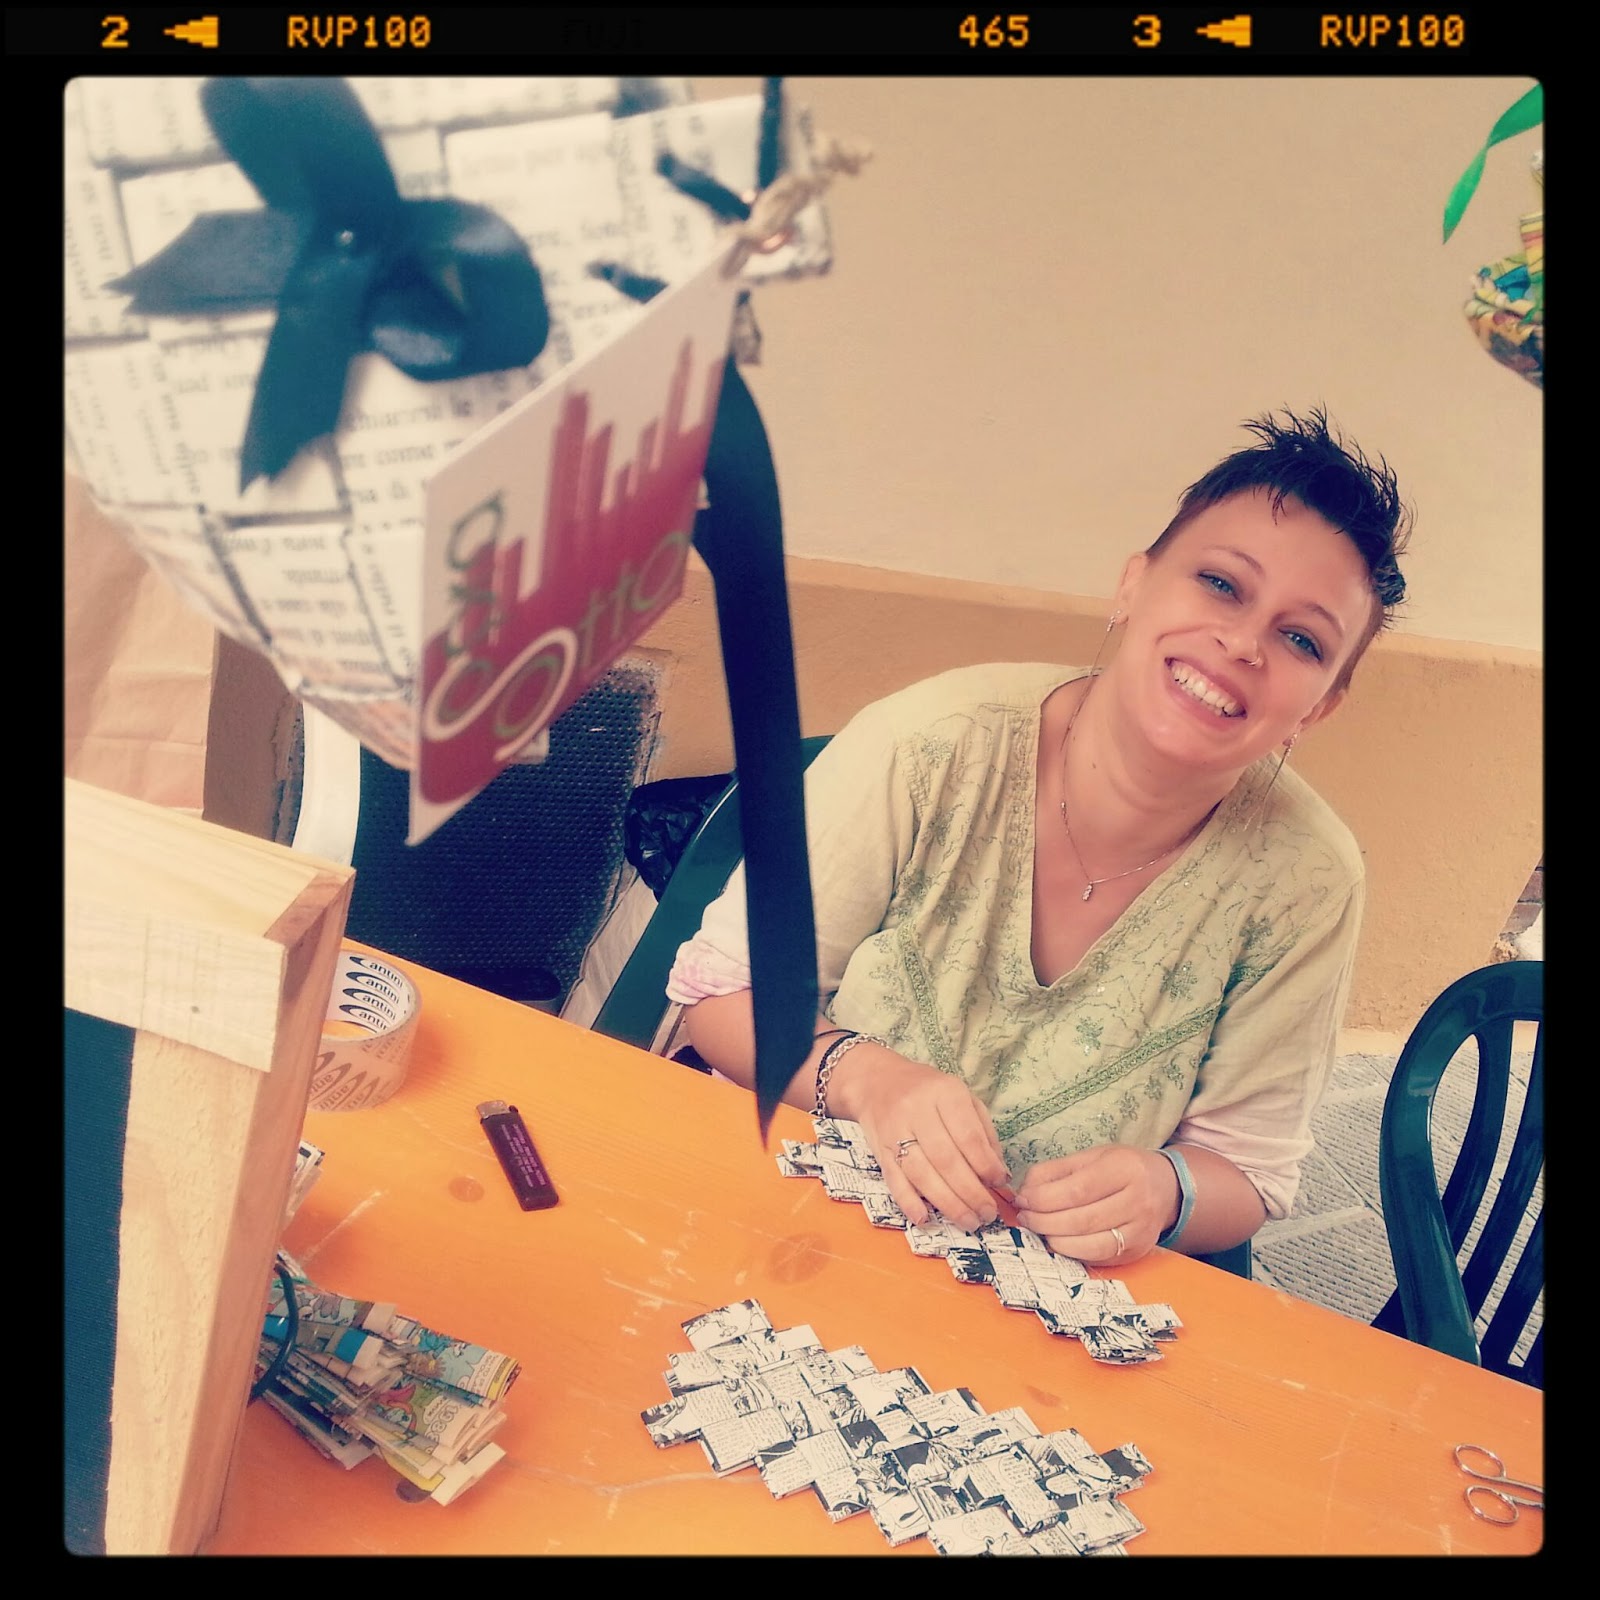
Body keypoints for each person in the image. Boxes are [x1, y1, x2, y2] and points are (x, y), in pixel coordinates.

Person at [668, 407, 1411, 1267]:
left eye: (1301, 638)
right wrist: (870, 1080)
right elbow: (722, 996)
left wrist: (1166, 1190)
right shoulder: (930, 743)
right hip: (787, 1216)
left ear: (1320, 707)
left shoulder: (1309, 882)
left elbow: (1249, 1171)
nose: (1242, 643)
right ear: (1133, 585)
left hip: (1034, 1287)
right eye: (1220, 583)